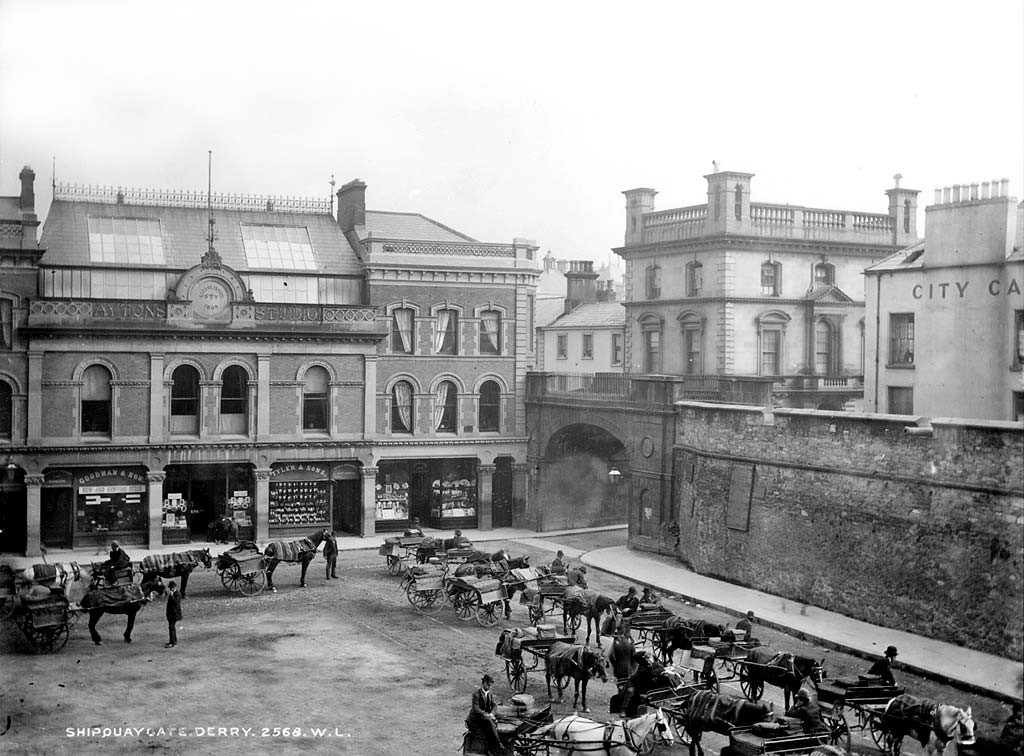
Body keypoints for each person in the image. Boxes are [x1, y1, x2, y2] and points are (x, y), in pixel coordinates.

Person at [466, 674, 501, 756]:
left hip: (485, 718)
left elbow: (494, 705)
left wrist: (492, 714)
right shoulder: (476, 695)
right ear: (484, 683)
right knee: (489, 722)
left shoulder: (489, 693)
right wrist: (487, 715)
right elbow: (476, 710)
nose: (489, 687)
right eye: (488, 684)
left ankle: (491, 748)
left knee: (492, 721)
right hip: (476, 719)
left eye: (490, 685)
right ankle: (498, 744)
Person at [165, 580, 182, 648]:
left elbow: (176, 602)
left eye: (172, 587)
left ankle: (173, 642)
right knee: (171, 627)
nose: (171, 589)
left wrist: (172, 597)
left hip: (174, 613)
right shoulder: (173, 593)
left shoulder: (177, 594)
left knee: (171, 627)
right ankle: (173, 640)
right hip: (171, 613)